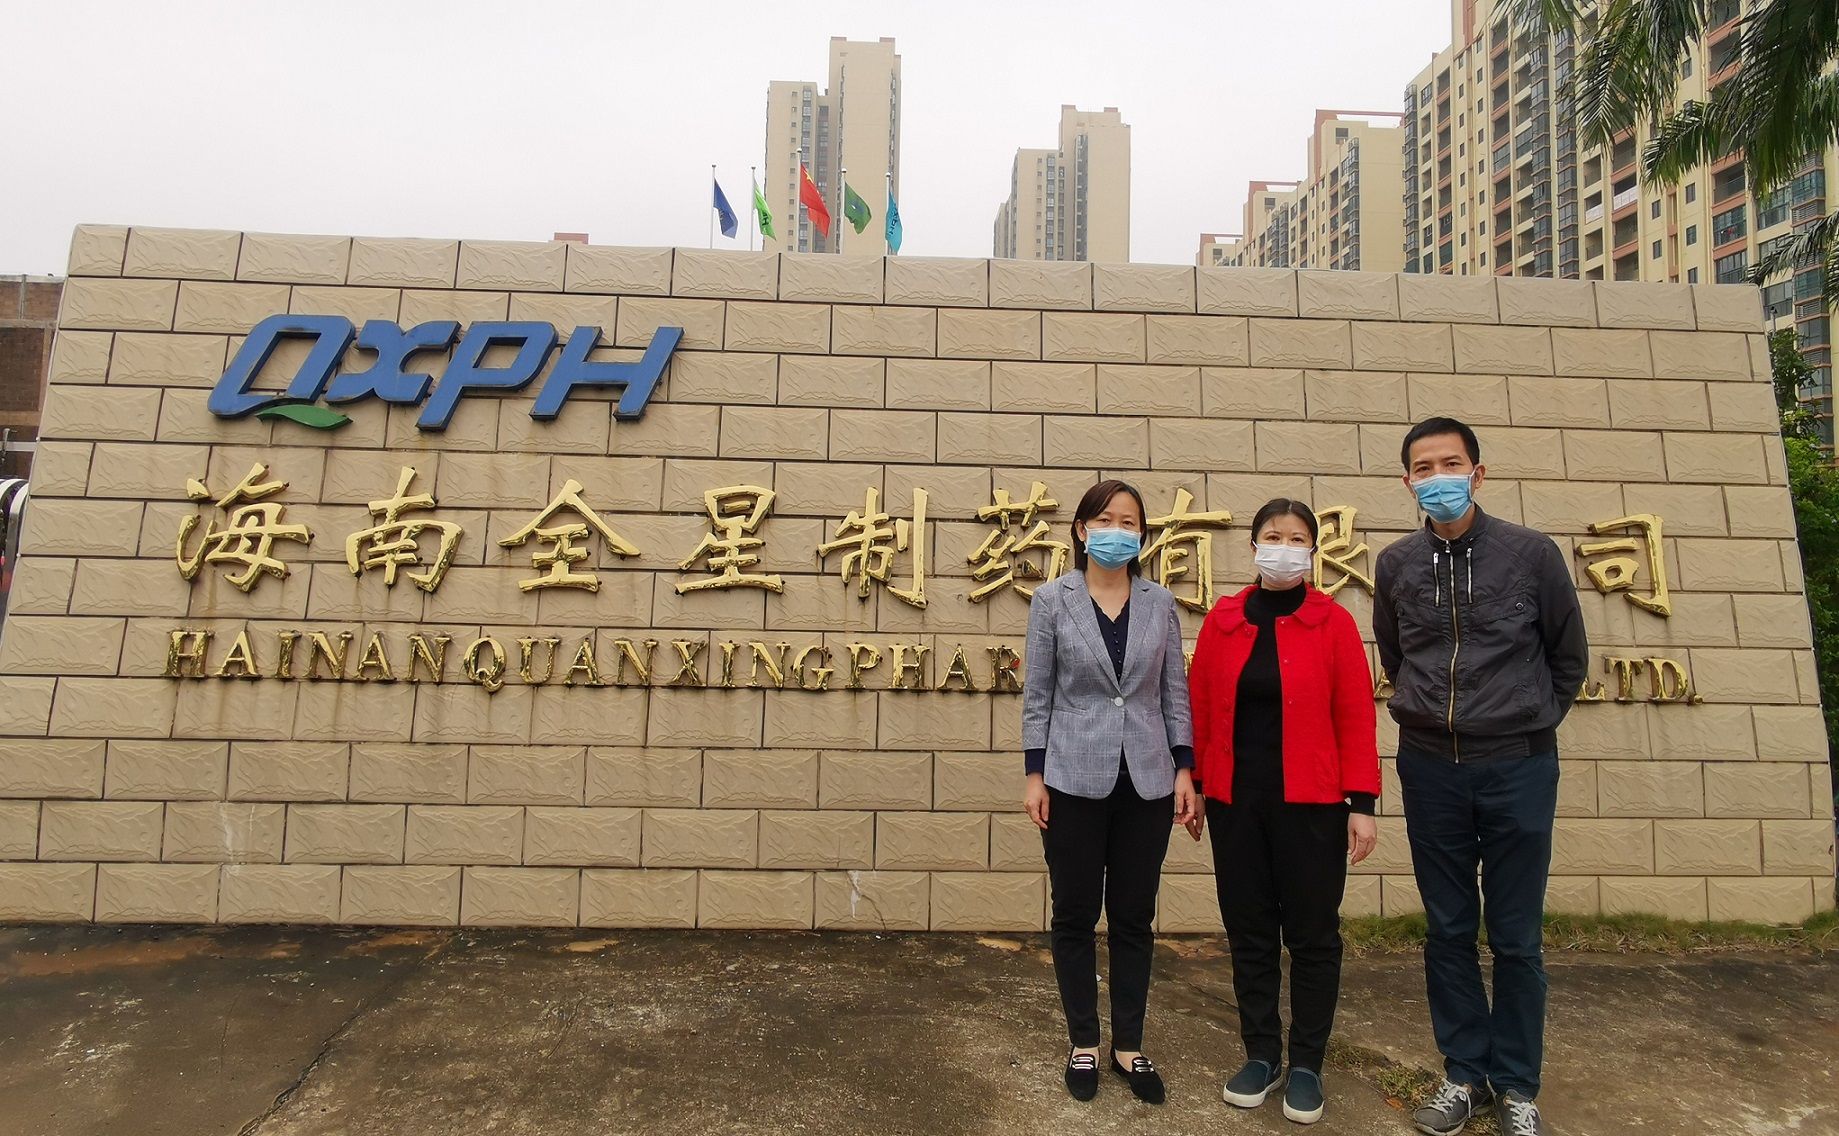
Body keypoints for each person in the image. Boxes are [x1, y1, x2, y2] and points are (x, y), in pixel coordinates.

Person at [1373, 417, 1587, 1136]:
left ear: (1477, 472)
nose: (1438, 477)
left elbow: (1567, 658)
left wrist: (1524, 720)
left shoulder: (1531, 555)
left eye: (1451, 463)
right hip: (1430, 766)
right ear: (1407, 481)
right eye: (1423, 467)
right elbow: (1396, 656)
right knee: (1448, 927)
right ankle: (1464, 1075)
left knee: (1517, 936)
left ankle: (1517, 1084)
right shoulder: (1396, 564)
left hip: (1517, 766)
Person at [1186, 498, 1381, 1126]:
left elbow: (1355, 716)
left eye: (1298, 538)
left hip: (1313, 805)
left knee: (1313, 936)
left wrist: (1363, 804)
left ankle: (1306, 1064)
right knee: (1249, 931)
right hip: (1236, 802)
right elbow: (1199, 707)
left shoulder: (1334, 623)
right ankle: (1261, 1054)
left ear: (1313, 551)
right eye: (1274, 536)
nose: (1285, 547)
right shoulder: (1223, 622)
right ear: (1253, 546)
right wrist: (1193, 782)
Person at [1021, 478, 1199, 1105]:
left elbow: (1173, 693)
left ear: (1142, 535)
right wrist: (1034, 774)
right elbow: (1038, 693)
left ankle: (1129, 1044)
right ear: (1081, 529)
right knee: (1073, 914)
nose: (1117, 531)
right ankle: (1084, 1042)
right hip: (1070, 778)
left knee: (1133, 917)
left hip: (1147, 781)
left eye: (1129, 522)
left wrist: (1185, 768)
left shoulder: (1160, 603)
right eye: (1105, 520)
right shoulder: (1052, 601)